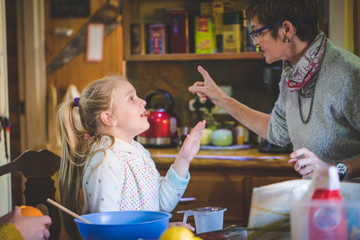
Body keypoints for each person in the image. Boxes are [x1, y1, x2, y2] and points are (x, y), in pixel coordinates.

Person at [189, 0, 360, 180]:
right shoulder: (292, 74)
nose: (255, 42)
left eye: (257, 32)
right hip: (316, 197)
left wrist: (336, 169)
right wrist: (221, 98)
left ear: (286, 30)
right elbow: (277, 130)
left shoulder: (349, 73)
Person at [57, 75, 206, 238]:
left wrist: (184, 158)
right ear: (109, 118)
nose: (143, 101)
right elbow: (107, 230)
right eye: (131, 98)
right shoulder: (105, 159)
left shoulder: (137, 150)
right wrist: (158, 231)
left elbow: (162, 203)